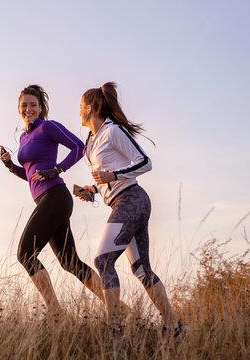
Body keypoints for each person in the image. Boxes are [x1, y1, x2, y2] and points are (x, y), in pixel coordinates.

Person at [76, 82, 184, 338]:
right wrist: (93, 188)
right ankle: (175, 328)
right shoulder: (91, 141)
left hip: (132, 200)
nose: (78, 111)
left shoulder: (113, 131)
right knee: (141, 269)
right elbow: (105, 176)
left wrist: (112, 174)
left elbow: (145, 162)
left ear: (90, 108)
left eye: (80, 107)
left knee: (103, 260)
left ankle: (114, 330)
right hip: (119, 202)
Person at [0, 84, 108, 315]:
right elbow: (30, 175)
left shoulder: (48, 127)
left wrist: (57, 169)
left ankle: (55, 312)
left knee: (25, 254)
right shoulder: (23, 138)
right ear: (19, 108)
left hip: (56, 197)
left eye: (33, 105)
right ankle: (117, 307)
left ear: (40, 107)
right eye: (24, 105)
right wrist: (10, 165)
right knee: (70, 263)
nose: (28, 109)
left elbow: (79, 147)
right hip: (44, 200)